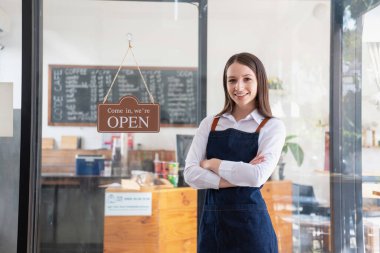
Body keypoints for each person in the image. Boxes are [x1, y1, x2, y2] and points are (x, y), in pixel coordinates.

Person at [184, 52, 286, 253]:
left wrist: (213, 164)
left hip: (252, 229)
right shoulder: (210, 124)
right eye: (232, 80)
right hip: (213, 227)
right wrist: (236, 177)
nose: (238, 87)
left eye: (247, 79)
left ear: (260, 82)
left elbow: (257, 176)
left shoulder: (272, 126)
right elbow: (190, 174)